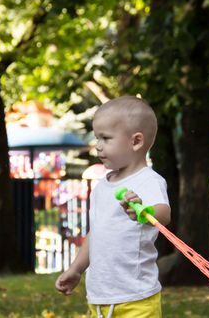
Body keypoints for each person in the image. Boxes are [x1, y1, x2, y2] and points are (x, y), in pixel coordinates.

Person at [55, 96, 171, 318]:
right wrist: (75, 269)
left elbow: (164, 214)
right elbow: (96, 234)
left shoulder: (148, 180)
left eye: (106, 138)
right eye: (97, 138)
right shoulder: (101, 187)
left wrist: (144, 212)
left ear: (135, 141)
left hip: (136, 299)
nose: (98, 146)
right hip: (100, 298)